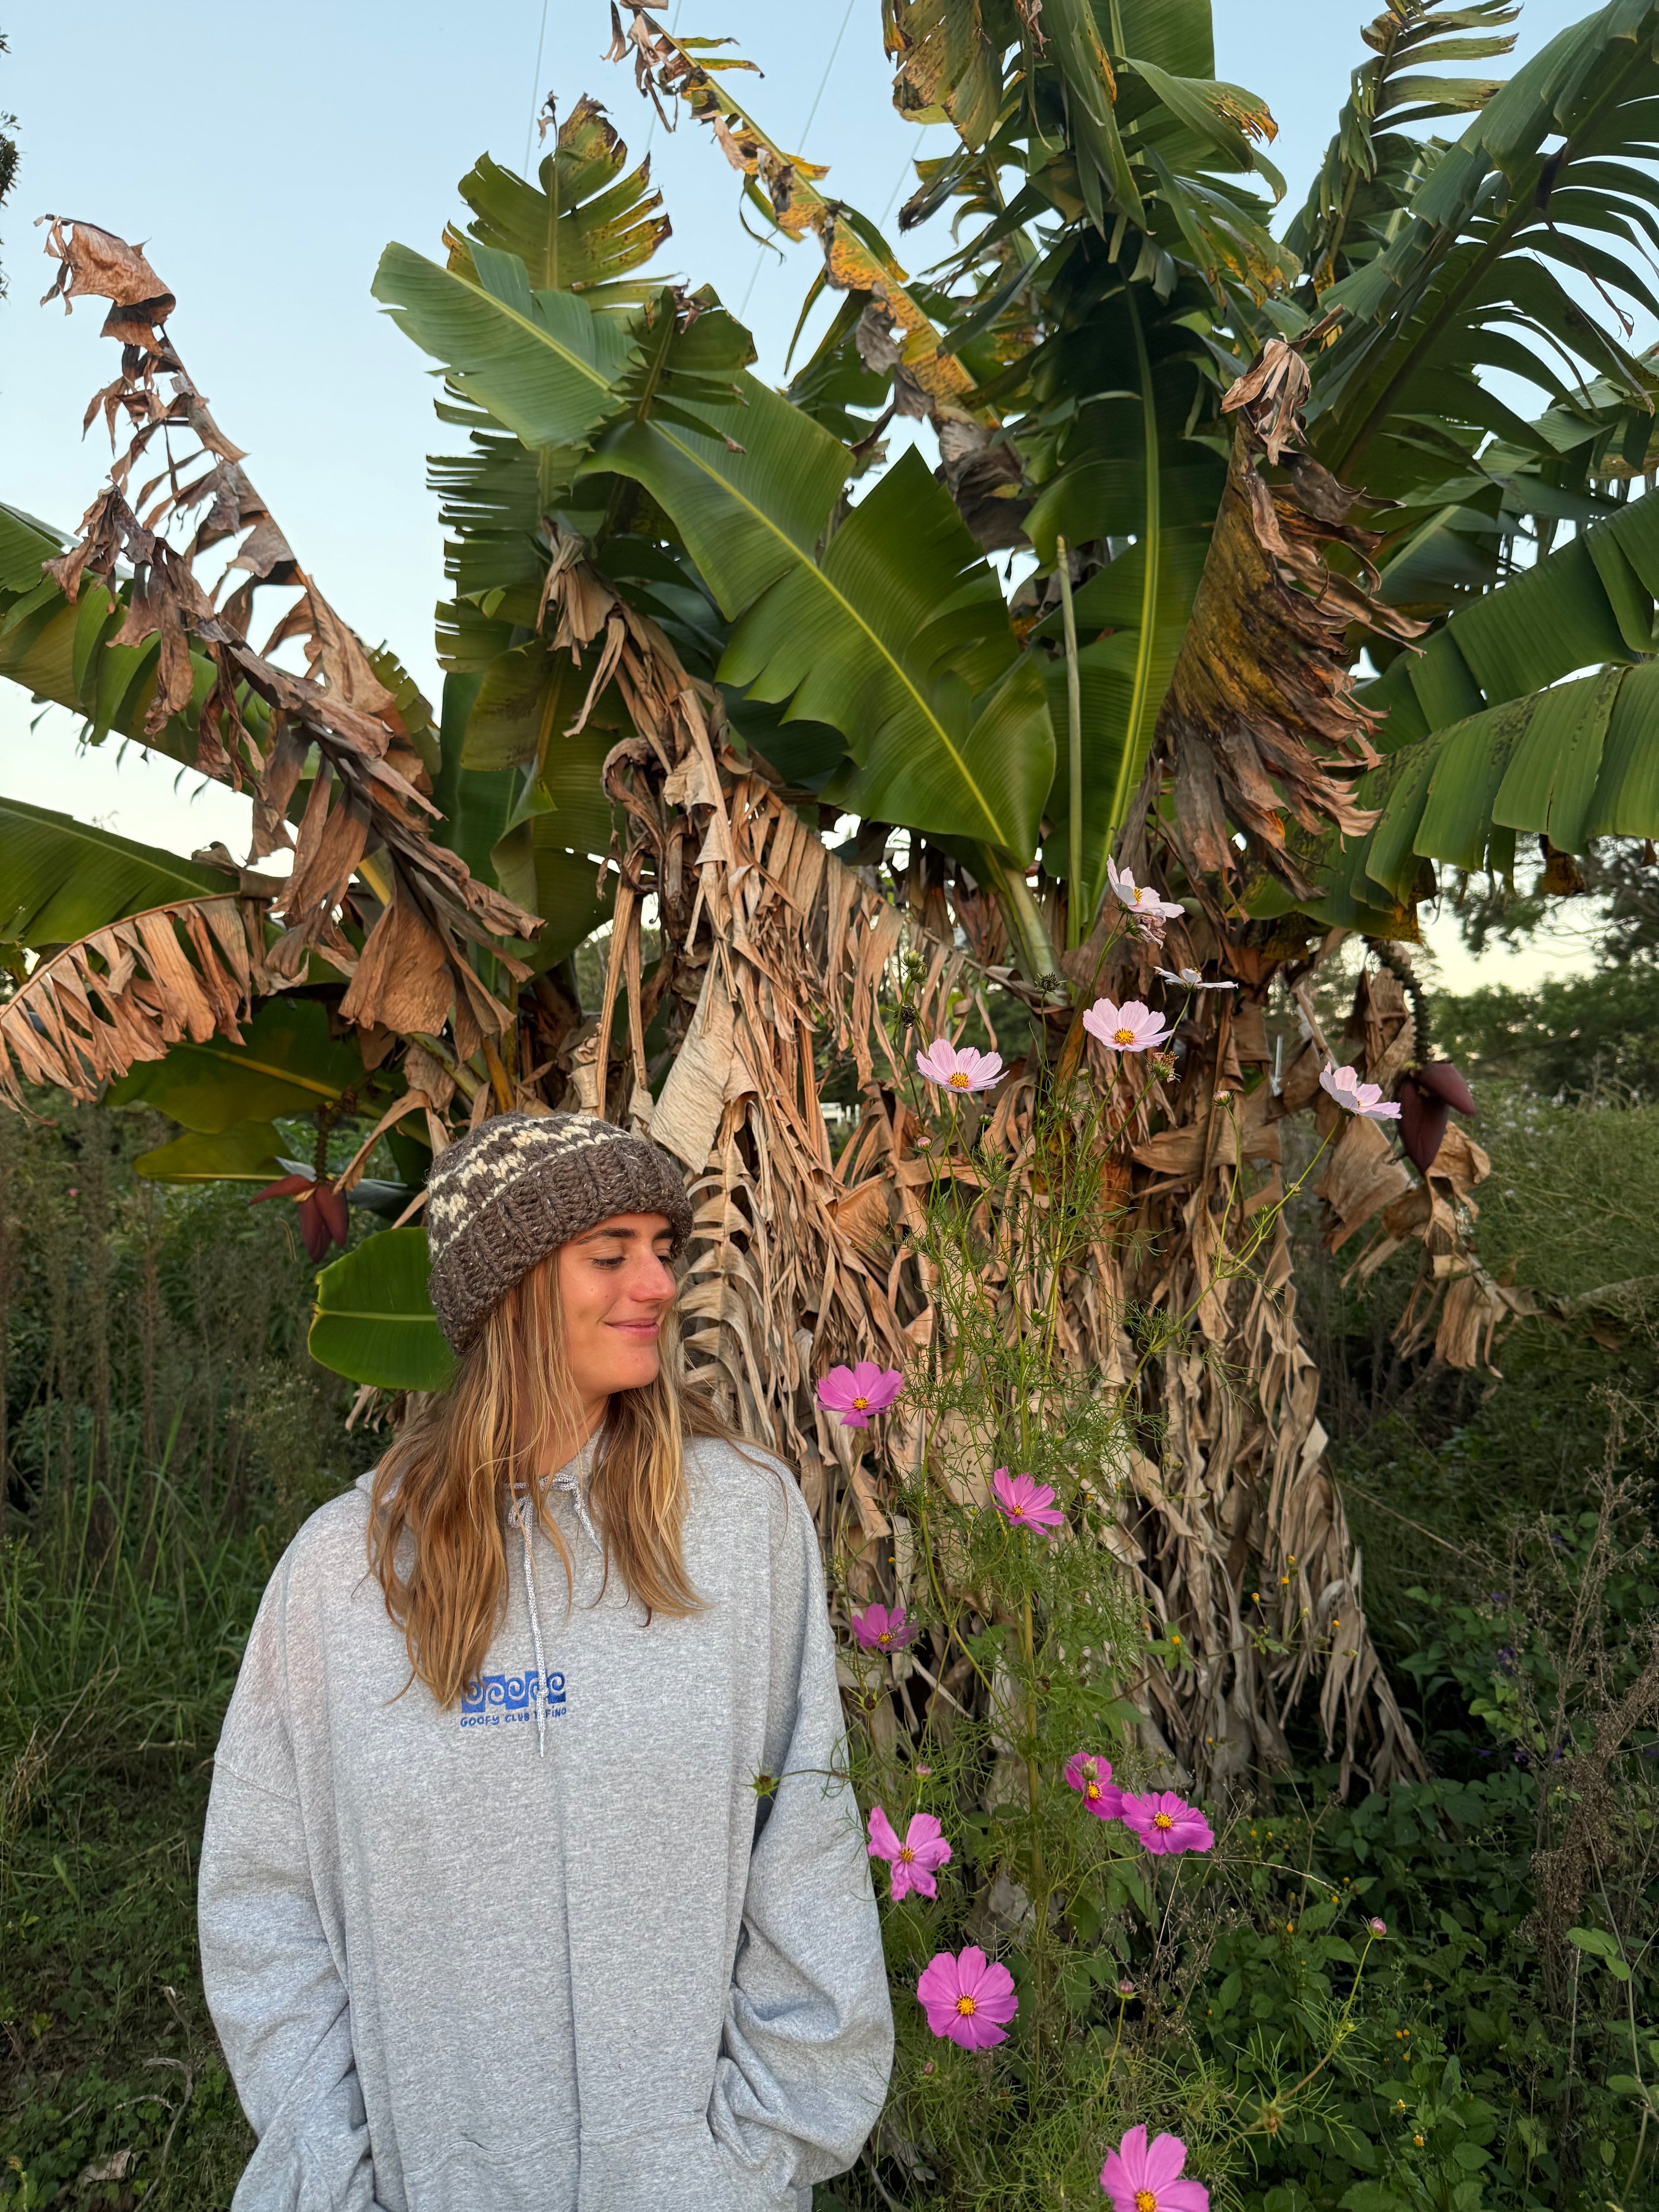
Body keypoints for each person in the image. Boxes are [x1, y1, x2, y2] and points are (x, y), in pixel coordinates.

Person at [198, 1110, 893, 2212]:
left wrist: (745, 2161)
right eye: (609, 1254)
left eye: (663, 1248)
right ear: (510, 1290)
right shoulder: (345, 1574)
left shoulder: (740, 1525)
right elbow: (264, 1907)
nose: (658, 1282)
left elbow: (802, 1850)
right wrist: (335, 2179)